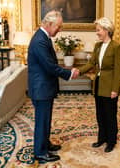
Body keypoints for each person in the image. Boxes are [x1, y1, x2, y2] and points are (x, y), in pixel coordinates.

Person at [72, 17, 120, 152]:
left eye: (99, 30)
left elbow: (118, 70)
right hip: (98, 84)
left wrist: (115, 89)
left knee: (110, 114)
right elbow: (91, 63)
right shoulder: (97, 46)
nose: (97, 33)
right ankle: (102, 138)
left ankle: (111, 141)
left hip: (110, 85)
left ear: (106, 30)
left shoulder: (117, 47)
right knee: (100, 114)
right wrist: (79, 70)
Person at [27, 10, 73, 162]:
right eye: (58, 26)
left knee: (45, 119)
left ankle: (45, 144)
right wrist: (69, 73)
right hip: (41, 89)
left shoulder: (43, 37)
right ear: (49, 24)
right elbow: (49, 66)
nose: (59, 30)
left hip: (43, 88)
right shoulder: (40, 40)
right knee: (42, 121)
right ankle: (40, 153)